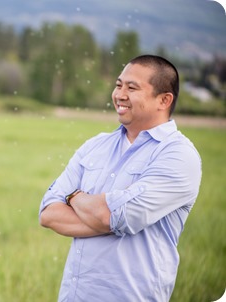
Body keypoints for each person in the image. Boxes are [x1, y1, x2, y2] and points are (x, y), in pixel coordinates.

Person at [39, 54, 202, 302]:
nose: (119, 95)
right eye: (118, 85)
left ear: (164, 99)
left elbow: (116, 216)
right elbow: (48, 214)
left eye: (132, 87)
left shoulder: (178, 155)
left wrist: (73, 197)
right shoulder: (95, 146)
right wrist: (105, 216)